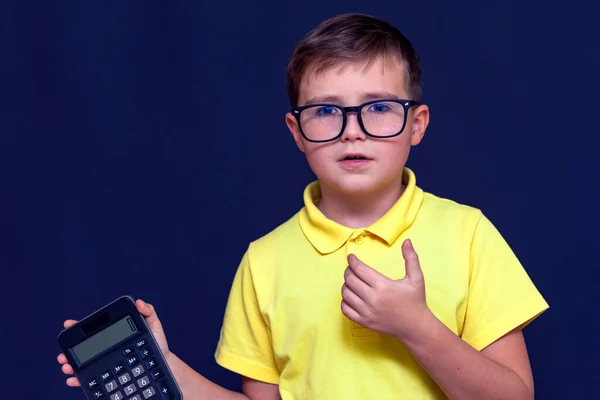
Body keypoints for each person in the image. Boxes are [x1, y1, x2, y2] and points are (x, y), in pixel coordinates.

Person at [57, 13, 549, 400]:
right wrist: (166, 367)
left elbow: (513, 395)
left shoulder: (468, 234)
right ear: (297, 132)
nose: (352, 130)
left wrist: (415, 326)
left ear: (416, 125)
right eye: (326, 111)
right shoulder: (264, 261)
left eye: (378, 107)